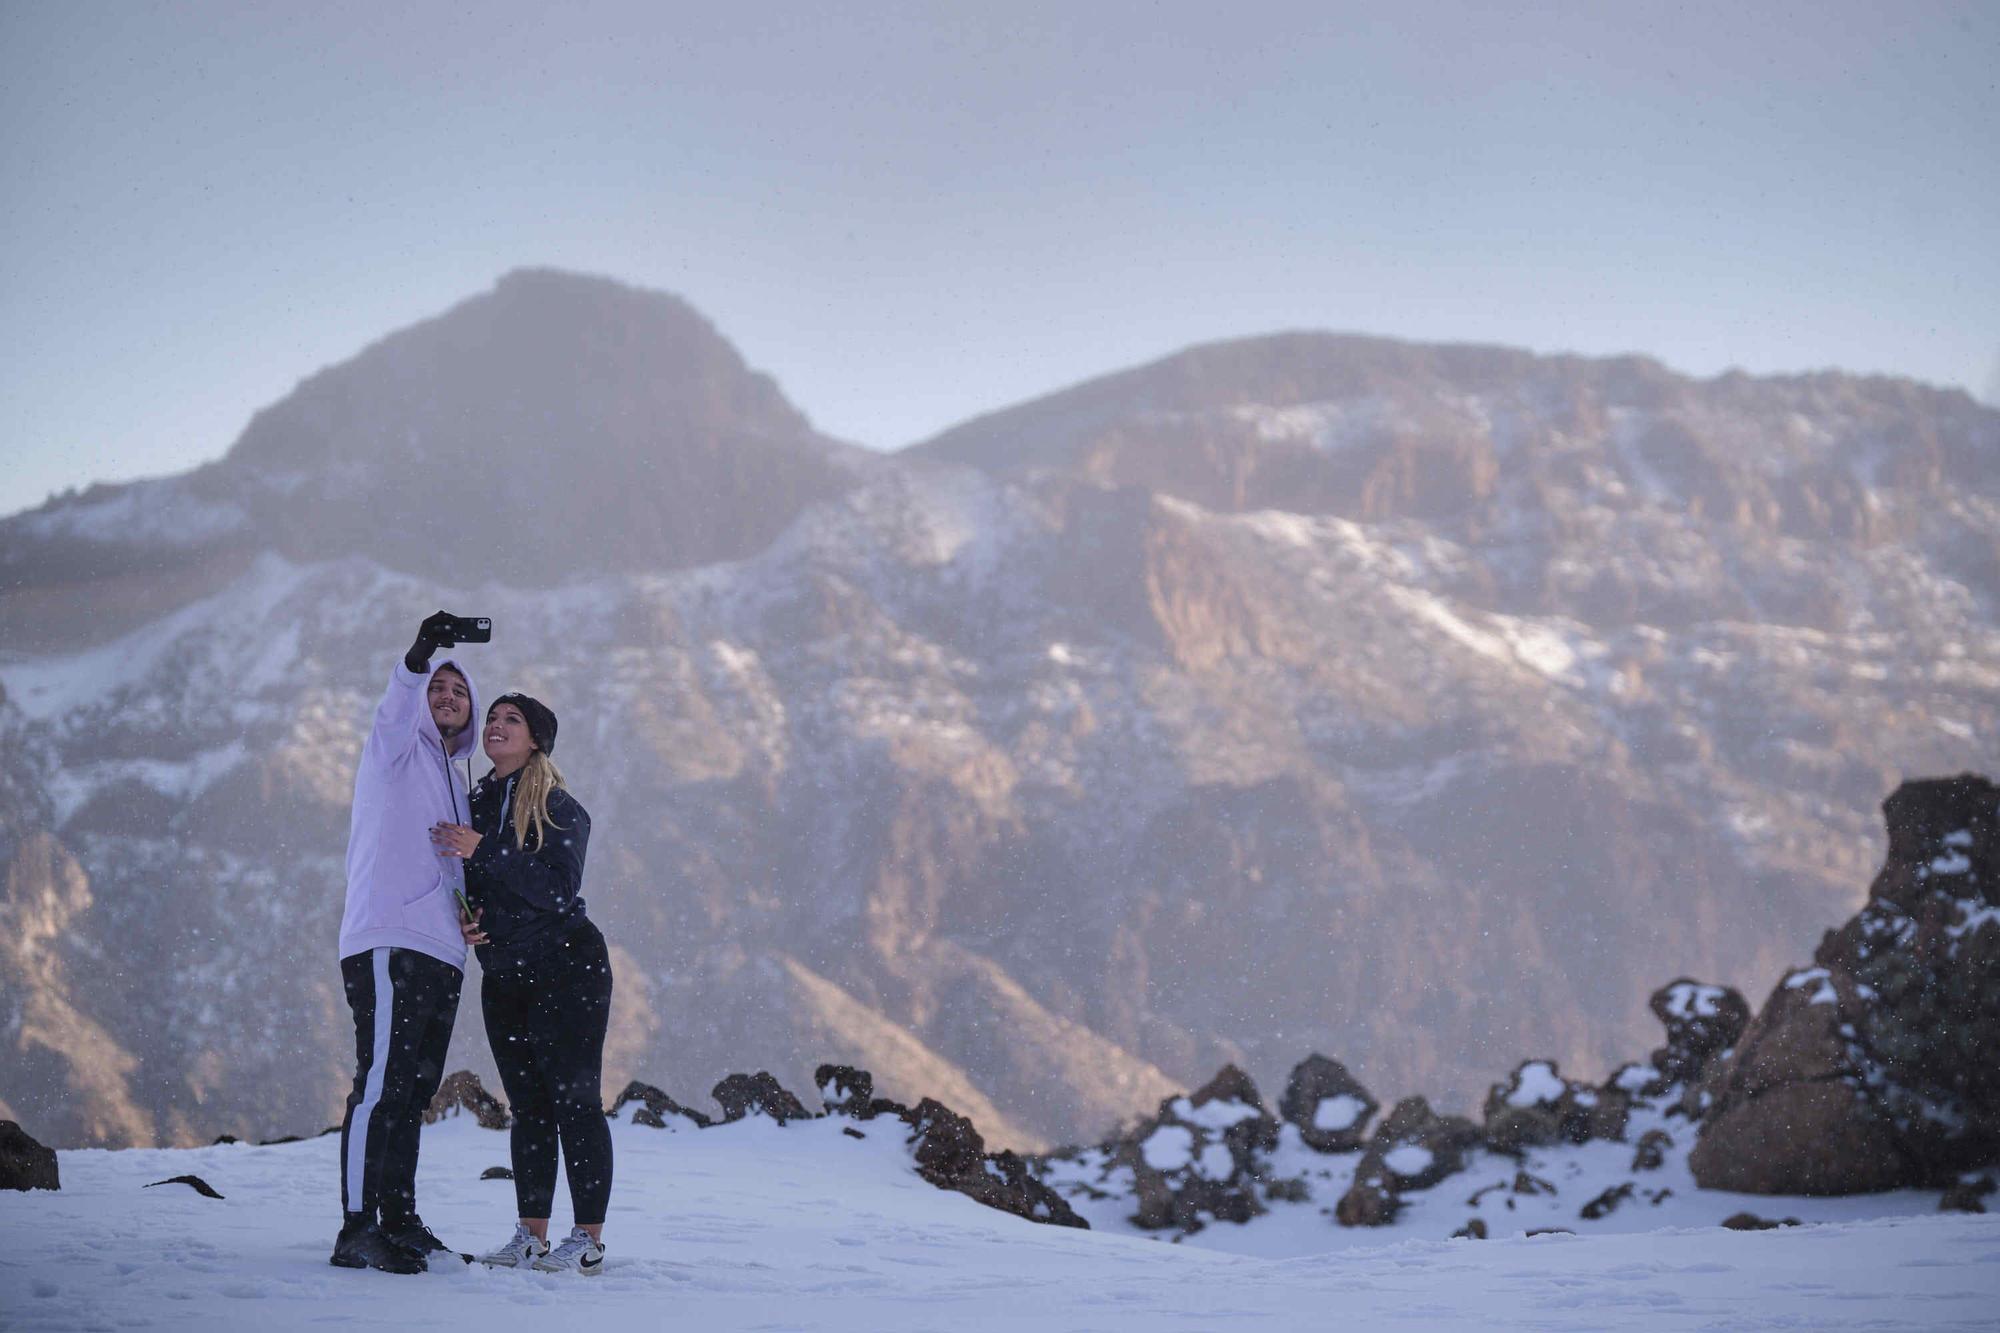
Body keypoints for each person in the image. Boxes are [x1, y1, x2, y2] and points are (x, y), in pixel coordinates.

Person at [431, 691, 612, 1275]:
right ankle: (530, 1237)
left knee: (576, 1104)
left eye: (513, 720)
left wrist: (485, 850)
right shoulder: (474, 799)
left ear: (536, 739)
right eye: (493, 717)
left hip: (568, 967)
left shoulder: (559, 807)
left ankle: (586, 1239)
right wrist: (471, 918)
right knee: (529, 1109)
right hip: (505, 976)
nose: (496, 725)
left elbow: (556, 891)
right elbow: (483, 886)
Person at [332, 612, 482, 1273]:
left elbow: (450, 866)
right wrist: (424, 649)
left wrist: (470, 917)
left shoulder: (458, 777)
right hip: (389, 937)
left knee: (413, 1089)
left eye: (459, 690)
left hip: (443, 950)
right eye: (437, 688)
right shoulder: (394, 741)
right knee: (379, 1083)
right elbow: (401, 691)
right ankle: (358, 1227)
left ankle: (400, 1217)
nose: (446, 696)